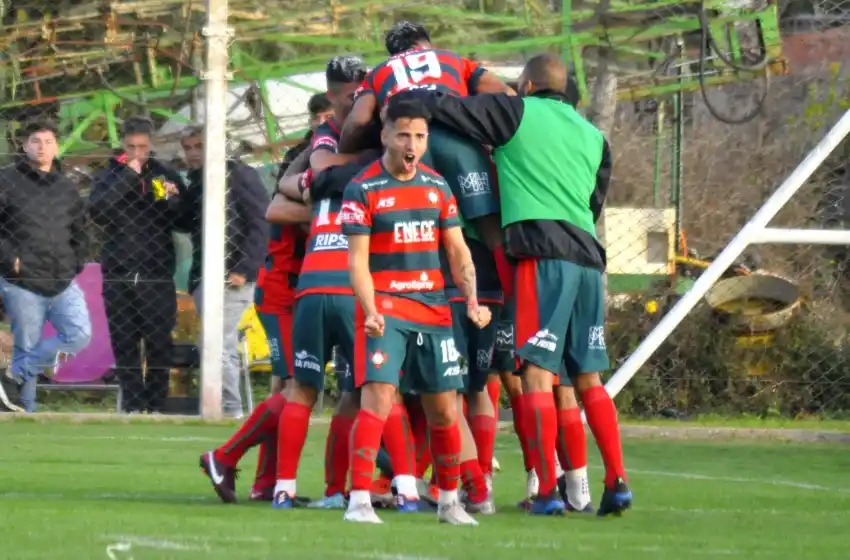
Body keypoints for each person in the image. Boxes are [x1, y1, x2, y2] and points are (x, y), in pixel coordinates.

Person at [398, 53, 632, 516]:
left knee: (536, 375)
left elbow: (446, 108)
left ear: (524, 87)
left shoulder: (515, 112)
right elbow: (594, 200)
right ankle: (618, 480)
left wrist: (406, 94)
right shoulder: (595, 137)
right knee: (588, 377)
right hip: (588, 258)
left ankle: (546, 490)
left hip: (541, 256)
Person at [340, 95, 490, 525]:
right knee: (379, 398)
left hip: (434, 309)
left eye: (420, 136)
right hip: (385, 308)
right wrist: (369, 309)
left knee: (445, 408)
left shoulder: (437, 187)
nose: (412, 143)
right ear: (385, 134)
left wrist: (474, 301)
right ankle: (359, 502)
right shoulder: (363, 189)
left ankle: (448, 503)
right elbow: (357, 261)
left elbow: (458, 250)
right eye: (404, 134)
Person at [89, 116, 185, 414]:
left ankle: (156, 405)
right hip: (119, 269)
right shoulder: (109, 175)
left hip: (156, 269)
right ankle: (132, 405)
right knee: (124, 342)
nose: (137, 153)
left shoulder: (164, 173)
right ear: (123, 144)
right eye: (131, 147)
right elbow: (98, 212)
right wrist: (129, 176)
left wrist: (168, 197)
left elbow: (180, 219)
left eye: (142, 147)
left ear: (151, 144)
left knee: (158, 341)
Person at [178, 126, 271, 418]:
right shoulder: (195, 182)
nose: (193, 153)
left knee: (217, 344)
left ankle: (231, 410)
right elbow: (182, 221)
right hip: (204, 276)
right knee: (216, 344)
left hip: (233, 277)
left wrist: (244, 268)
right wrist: (165, 191)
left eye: (199, 145)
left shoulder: (239, 174)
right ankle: (223, 408)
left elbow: (262, 222)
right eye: (188, 147)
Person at [0, 119, 92, 413]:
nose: (42, 147)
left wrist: (76, 262)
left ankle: (12, 376)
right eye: (36, 141)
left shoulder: (66, 187)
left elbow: (81, 231)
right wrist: (9, 260)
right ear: (25, 145)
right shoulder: (6, 180)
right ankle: (24, 411)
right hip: (22, 280)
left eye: (48, 142)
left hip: (63, 279)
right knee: (26, 345)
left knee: (79, 334)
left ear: (57, 146)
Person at [278, 93, 333, 176]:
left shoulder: (351, 147)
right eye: (316, 118)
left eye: (328, 116)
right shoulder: (295, 154)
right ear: (310, 122)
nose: (321, 122)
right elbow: (281, 187)